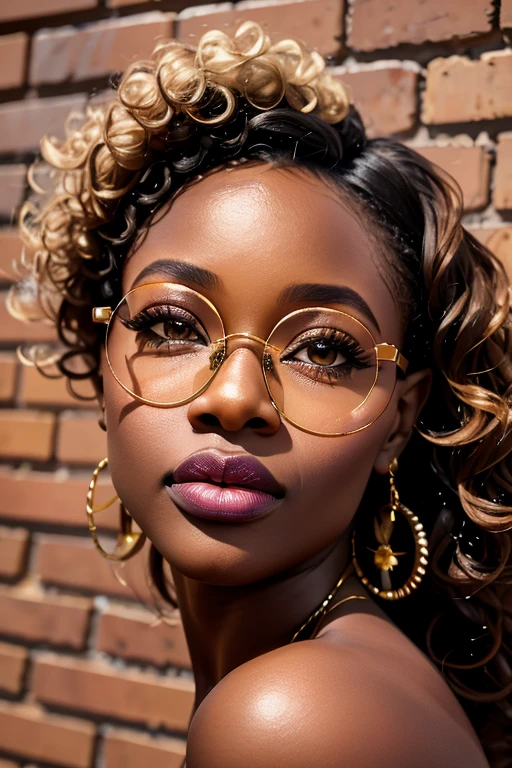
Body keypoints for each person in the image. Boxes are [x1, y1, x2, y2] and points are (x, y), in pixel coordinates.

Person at [8, 21, 511, 768]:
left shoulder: (295, 720)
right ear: (102, 357)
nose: (237, 397)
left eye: (322, 350)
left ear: (398, 420)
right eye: (174, 324)